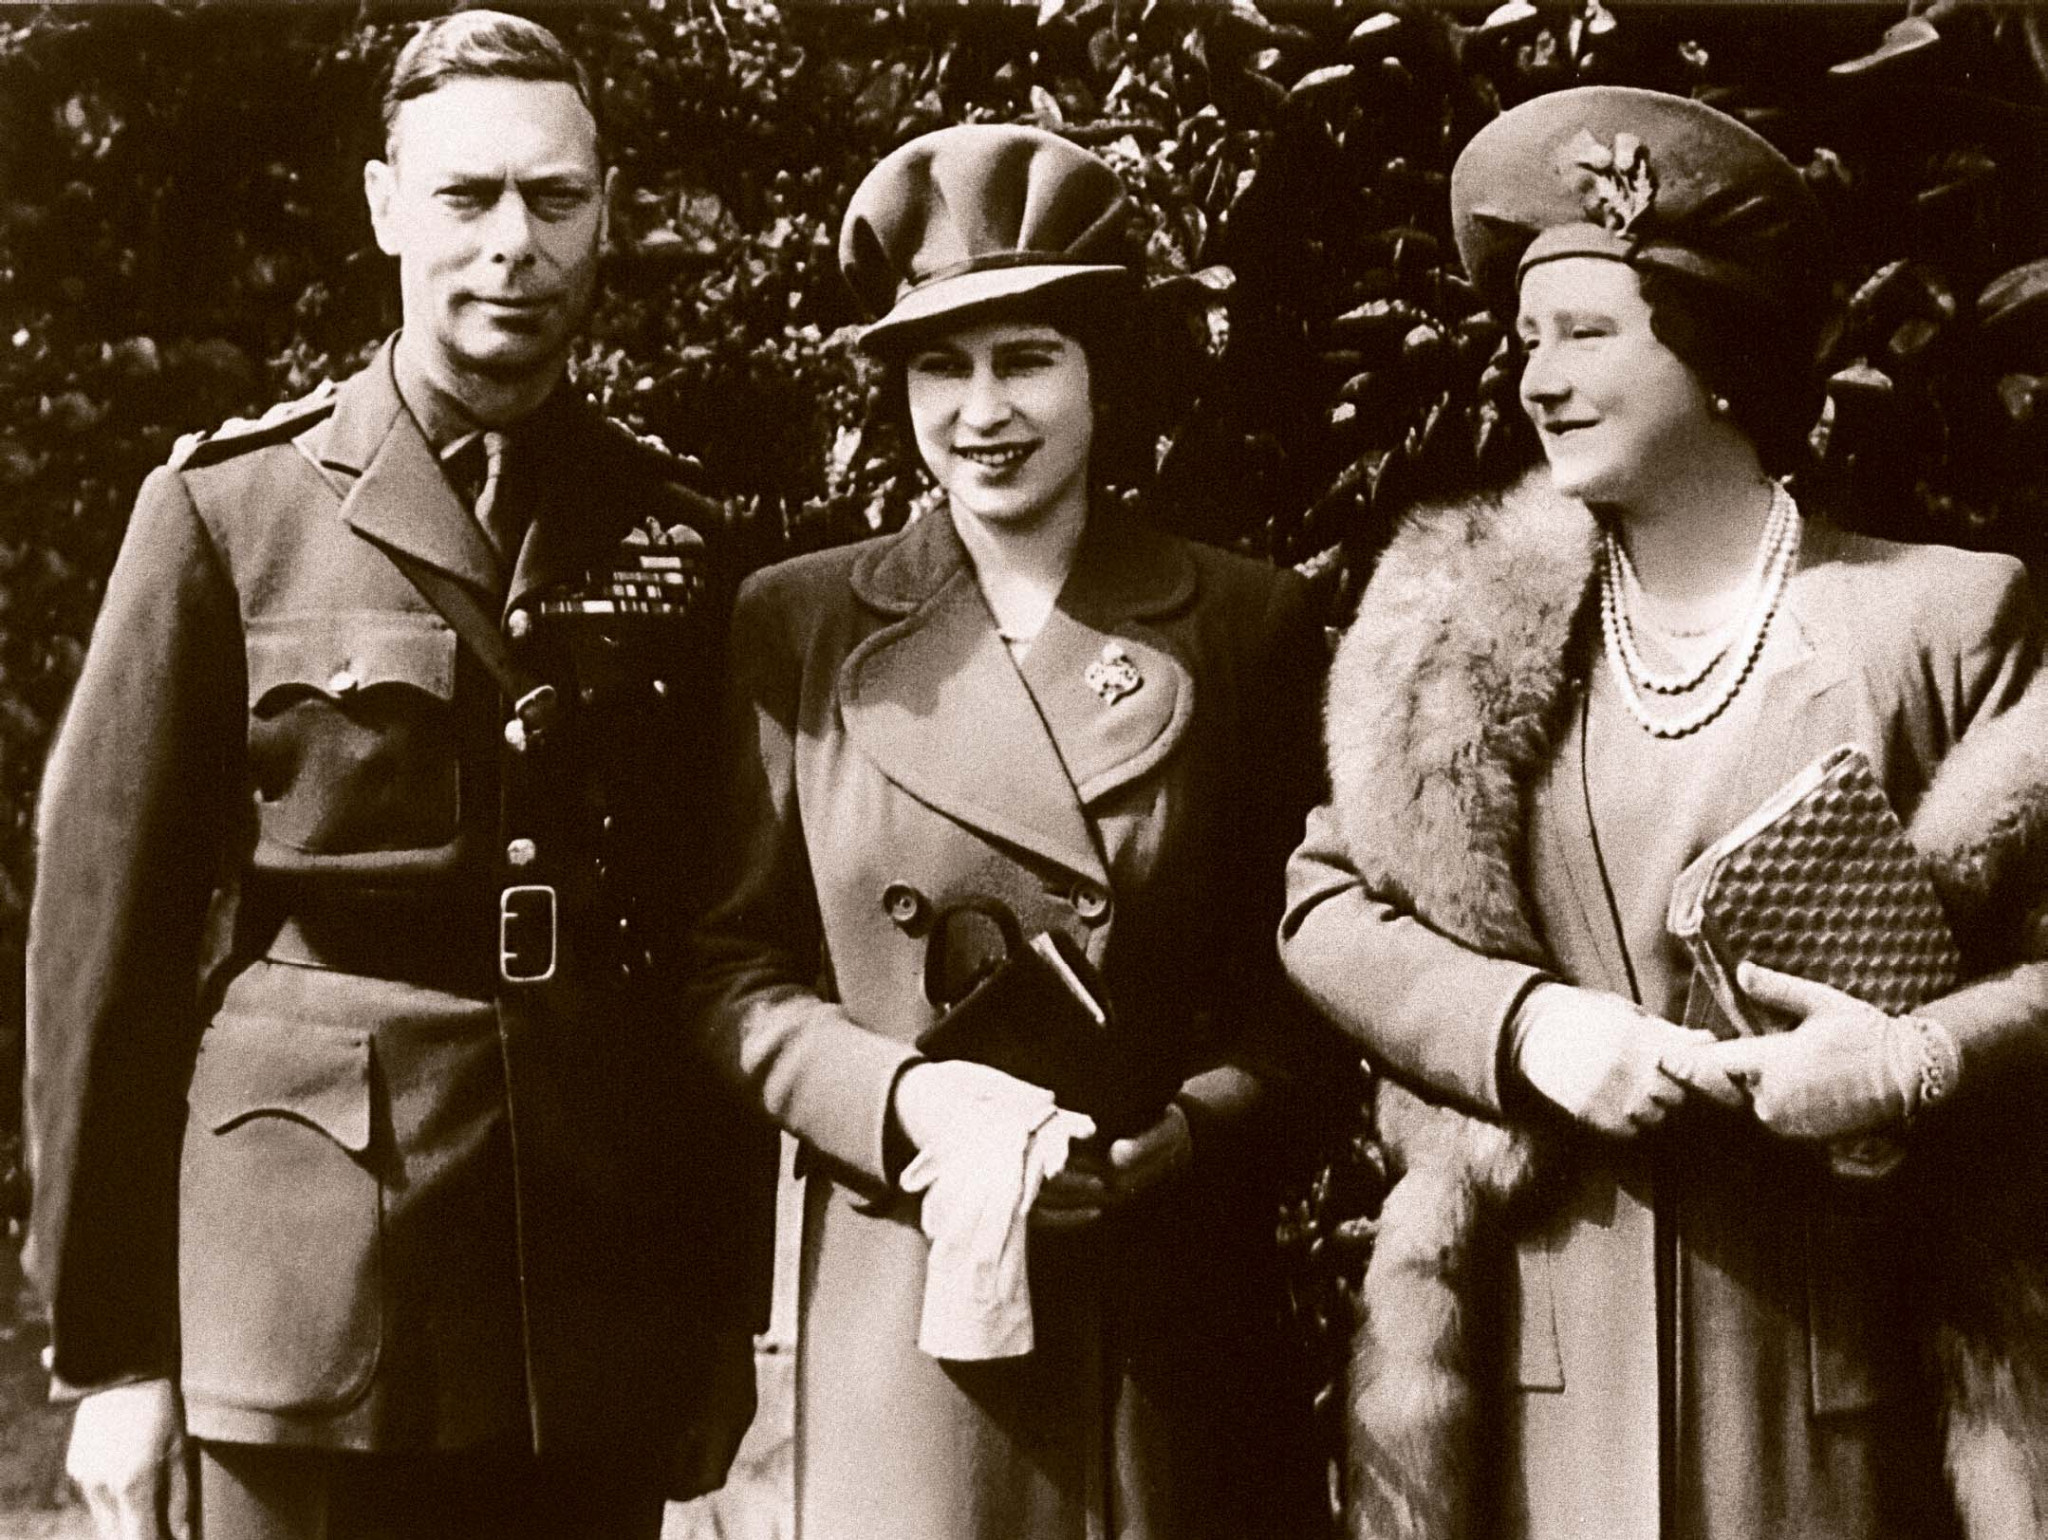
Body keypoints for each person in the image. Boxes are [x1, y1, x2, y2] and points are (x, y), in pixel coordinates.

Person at [24, 13, 776, 1539]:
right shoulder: (229, 513)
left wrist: (715, 1307)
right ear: (384, 208)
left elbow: (716, 941)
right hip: (306, 1291)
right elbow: (106, 950)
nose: (513, 243)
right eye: (466, 196)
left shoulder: (680, 531)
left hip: (588, 1300)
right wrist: (111, 1350)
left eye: (554, 199)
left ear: (607, 213)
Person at [1280, 86, 2048, 1540]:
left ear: (1715, 351)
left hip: (1849, 1401)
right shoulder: (1461, 634)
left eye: (1586, 333)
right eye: (1527, 341)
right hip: (1535, 1392)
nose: (1538, 380)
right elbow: (1326, 907)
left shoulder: (1941, 620)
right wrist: (1526, 1029)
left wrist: (1913, 1062)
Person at [688, 123, 1326, 1540]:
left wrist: (1193, 1129)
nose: (984, 410)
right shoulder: (798, 622)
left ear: (1105, 373)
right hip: (907, 1298)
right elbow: (730, 972)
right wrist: (899, 1101)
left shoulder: (1243, 620)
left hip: (1167, 1314)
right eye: (942, 366)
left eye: (1027, 358)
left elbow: (1304, 989)